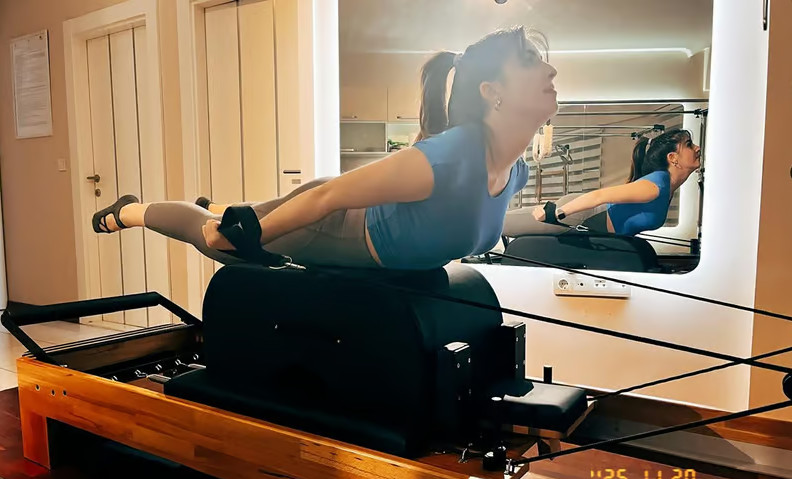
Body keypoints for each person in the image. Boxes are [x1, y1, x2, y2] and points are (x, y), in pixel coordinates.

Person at [92, 26, 558, 270]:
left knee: (248, 215)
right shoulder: (451, 158)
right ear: (492, 91)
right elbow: (327, 197)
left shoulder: (514, 171)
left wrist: (561, 215)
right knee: (216, 239)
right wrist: (250, 236)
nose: (551, 72)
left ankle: (227, 207)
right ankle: (129, 212)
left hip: (346, 212)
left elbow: (485, 216)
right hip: (333, 222)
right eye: (530, 62)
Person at [505, 128, 701, 237]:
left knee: (502, 222)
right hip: (578, 216)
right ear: (673, 157)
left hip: (586, 220)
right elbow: (600, 196)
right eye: (689, 145)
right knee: (500, 225)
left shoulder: (665, 186)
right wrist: (556, 214)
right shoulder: (657, 185)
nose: (697, 148)